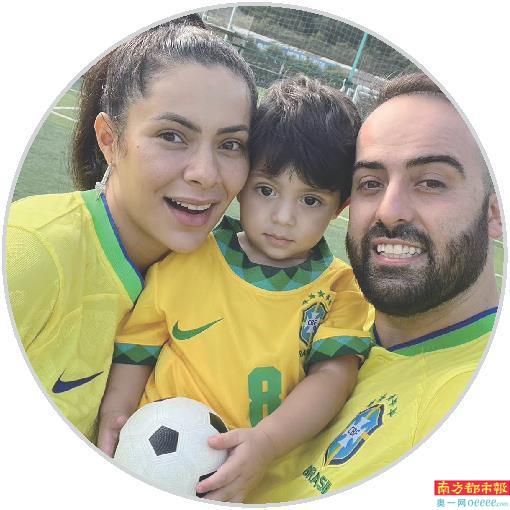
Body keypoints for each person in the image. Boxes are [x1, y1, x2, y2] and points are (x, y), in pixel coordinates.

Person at [97, 75, 374, 502]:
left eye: (310, 200)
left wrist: (266, 442)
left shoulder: (340, 290)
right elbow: (138, 348)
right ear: (242, 181)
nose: (283, 217)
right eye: (266, 190)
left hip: (253, 488)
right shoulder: (189, 255)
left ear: (341, 207)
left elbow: (333, 378)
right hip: (150, 466)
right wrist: (117, 415)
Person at [245, 72, 502, 503]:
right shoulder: (327, 302)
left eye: (431, 182)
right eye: (370, 183)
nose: (389, 210)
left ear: (495, 213)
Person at [5, 17, 258, 443]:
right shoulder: (27, 251)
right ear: (109, 139)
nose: (205, 173)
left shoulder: (232, 279)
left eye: (231, 144)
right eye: (172, 136)